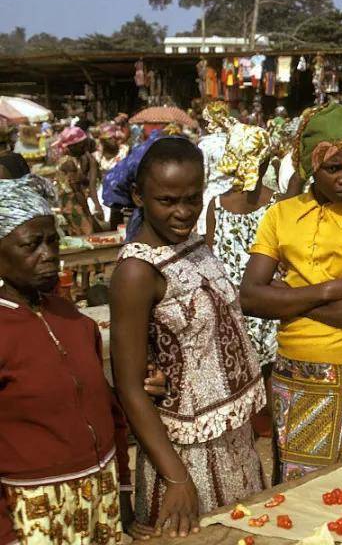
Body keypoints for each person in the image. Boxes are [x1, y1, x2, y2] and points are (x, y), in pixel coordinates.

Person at [109, 137, 265, 539]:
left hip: (231, 438)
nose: (183, 212)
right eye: (168, 200)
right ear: (139, 196)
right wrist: (177, 479)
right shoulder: (137, 271)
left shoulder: (195, 246)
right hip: (185, 454)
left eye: (193, 199)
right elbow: (129, 386)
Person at [241, 102, 342, 482]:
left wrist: (290, 299)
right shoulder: (281, 215)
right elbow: (249, 296)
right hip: (293, 373)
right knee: (296, 488)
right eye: (333, 168)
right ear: (312, 168)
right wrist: (327, 291)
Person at [0, 176, 136, 544]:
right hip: (33, 510)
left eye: (52, 241)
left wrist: (123, 485)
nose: (48, 254)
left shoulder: (73, 319)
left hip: (100, 495)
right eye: (31, 245)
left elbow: (109, 409)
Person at [205, 123, 279, 369]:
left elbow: (209, 262)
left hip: (231, 310)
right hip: (270, 305)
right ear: (266, 163)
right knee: (270, 381)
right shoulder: (278, 205)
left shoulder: (216, 205)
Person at [54, 126, 104, 235]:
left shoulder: (78, 159)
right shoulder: (68, 163)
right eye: (82, 145)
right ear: (72, 146)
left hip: (75, 201)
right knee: (87, 232)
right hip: (71, 202)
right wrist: (88, 212)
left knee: (84, 230)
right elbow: (76, 191)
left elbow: (88, 183)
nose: (85, 147)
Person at [196, 101, 236, 235]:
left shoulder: (204, 146)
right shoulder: (236, 142)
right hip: (234, 200)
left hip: (210, 200)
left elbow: (202, 178)